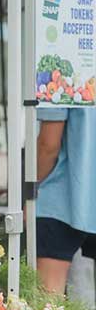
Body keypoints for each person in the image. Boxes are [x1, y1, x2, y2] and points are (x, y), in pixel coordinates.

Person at [36, 106, 96, 294]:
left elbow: (48, 145)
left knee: (49, 304)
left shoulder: (59, 74)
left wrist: (30, 189)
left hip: (62, 195)